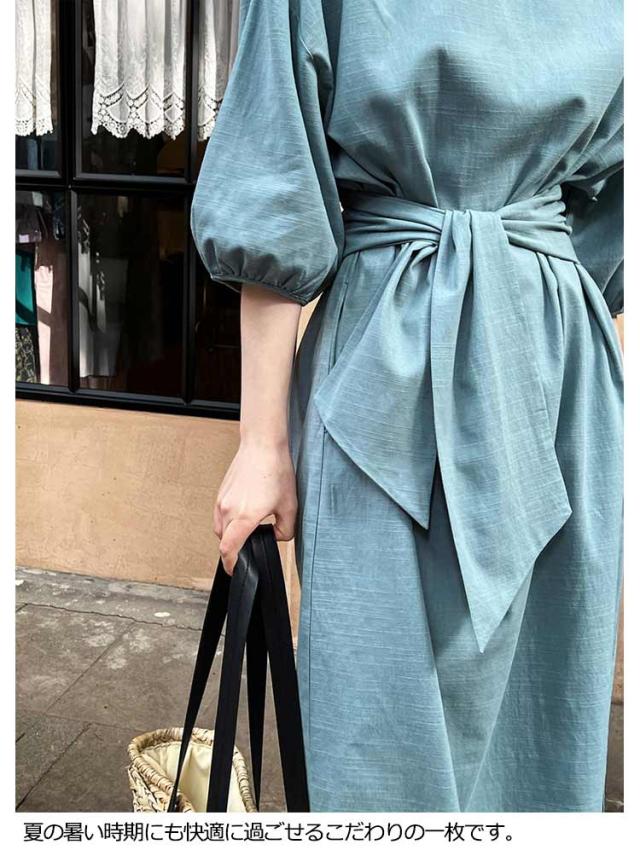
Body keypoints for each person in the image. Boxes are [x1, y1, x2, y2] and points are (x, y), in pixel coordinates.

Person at [190, 0, 624, 812]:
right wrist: (262, 445)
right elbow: (279, 168)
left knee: (545, 712)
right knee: (375, 718)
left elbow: (611, 211)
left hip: (557, 382)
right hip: (387, 372)